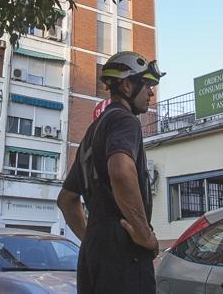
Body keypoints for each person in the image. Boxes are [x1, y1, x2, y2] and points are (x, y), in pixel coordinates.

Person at [57, 51, 163, 294]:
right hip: (126, 254)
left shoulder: (92, 133)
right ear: (126, 85)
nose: (151, 93)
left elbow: (66, 200)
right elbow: (121, 171)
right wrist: (144, 234)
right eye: (146, 84)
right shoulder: (124, 120)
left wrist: (93, 238)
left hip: (93, 254)